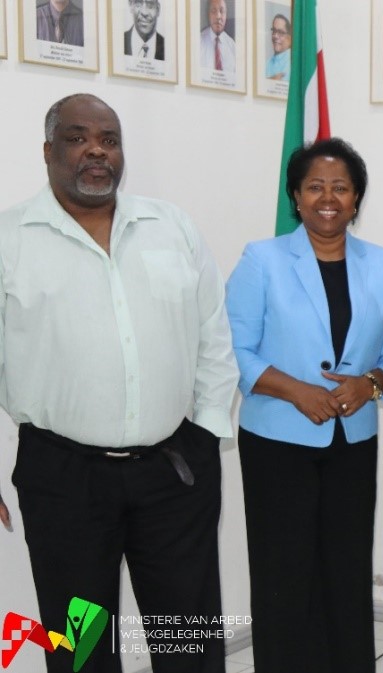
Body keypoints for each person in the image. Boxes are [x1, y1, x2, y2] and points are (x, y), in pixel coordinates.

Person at [0, 93, 238, 673]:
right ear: (48, 151)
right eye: (78, 138)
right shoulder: (10, 238)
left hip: (173, 473)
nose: (96, 151)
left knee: (188, 644)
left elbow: (213, 333)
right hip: (64, 481)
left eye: (108, 140)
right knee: (81, 650)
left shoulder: (170, 226)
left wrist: (206, 430)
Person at [225, 138, 383, 673]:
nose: (327, 198)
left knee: (347, 570)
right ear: (296, 196)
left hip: (352, 443)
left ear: (356, 199)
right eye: (315, 187)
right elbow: (233, 349)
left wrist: (369, 384)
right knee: (283, 573)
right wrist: (296, 390)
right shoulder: (261, 259)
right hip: (276, 444)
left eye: (341, 188)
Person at [199, 0, 236, 74]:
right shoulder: (198, 42)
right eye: (213, 11)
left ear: (226, 15)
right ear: (208, 15)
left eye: (222, 11)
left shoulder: (232, 46)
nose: (218, 16)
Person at [265, 13, 291, 80]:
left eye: (281, 32)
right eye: (274, 31)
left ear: (289, 38)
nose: (275, 36)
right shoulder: (267, 63)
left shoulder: (293, 61)